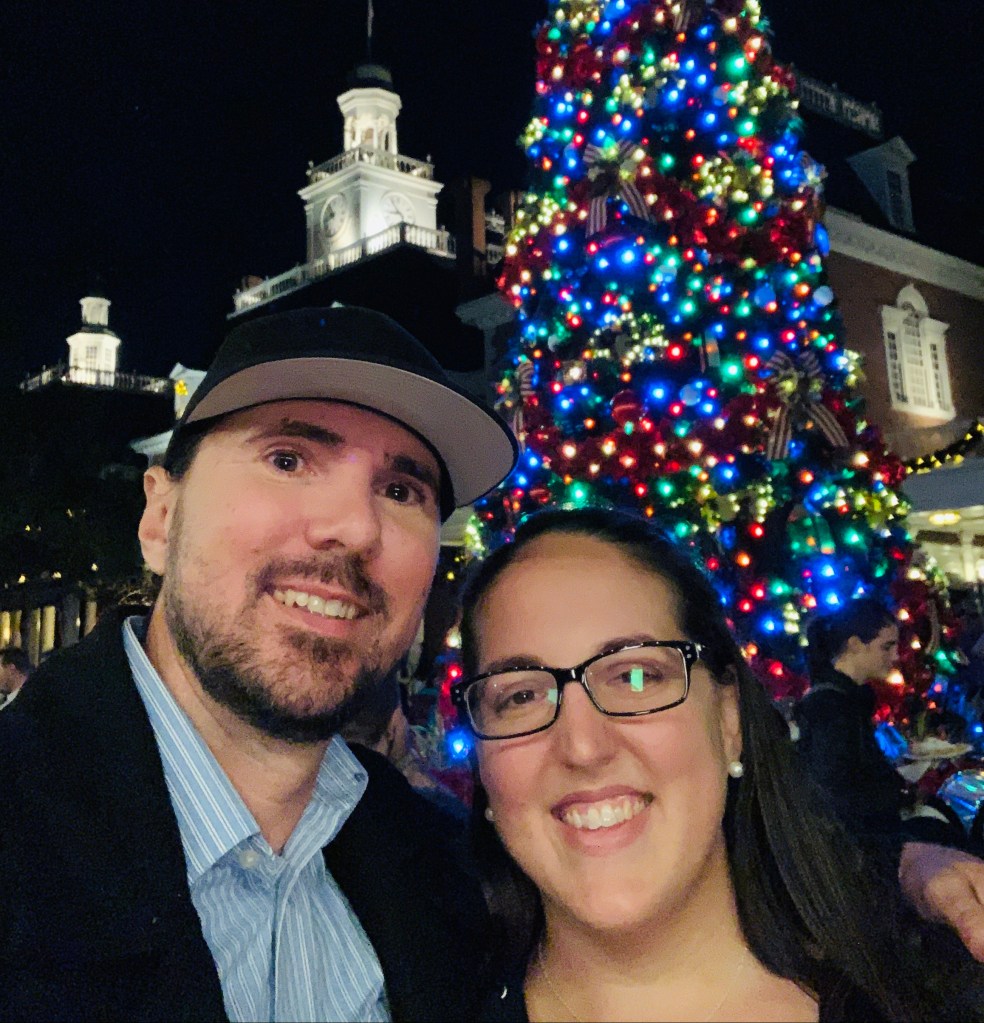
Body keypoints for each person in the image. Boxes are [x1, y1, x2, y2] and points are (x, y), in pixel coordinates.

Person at [0, 305, 517, 1021]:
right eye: (288, 459)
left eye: (401, 492)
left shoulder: (444, 875)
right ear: (160, 519)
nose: (354, 528)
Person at [452, 507, 984, 1021]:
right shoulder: (430, 991)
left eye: (635, 677)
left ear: (729, 721)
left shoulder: (928, 993)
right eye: (520, 697)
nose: (583, 748)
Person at [797, 598, 966, 850]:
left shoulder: (849, 700)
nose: (895, 656)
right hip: (864, 844)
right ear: (855, 645)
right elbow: (838, 791)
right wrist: (900, 795)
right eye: (886, 647)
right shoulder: (831, 708)